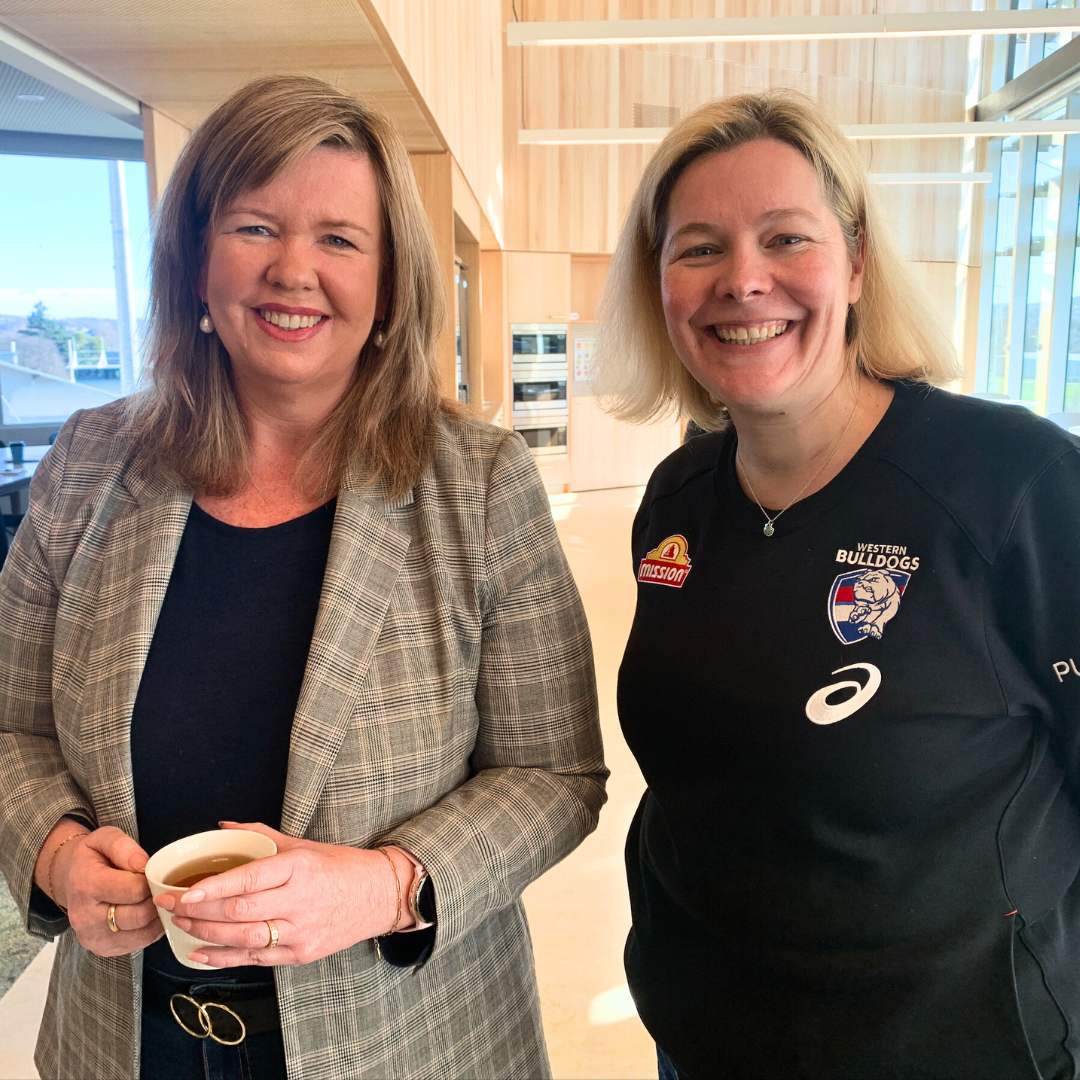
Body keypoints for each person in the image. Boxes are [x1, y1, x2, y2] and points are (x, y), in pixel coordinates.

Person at [0, 74, 606, 1080]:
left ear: (387, 285)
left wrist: (387, 885)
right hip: (128, 1039)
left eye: (338, 239)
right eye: (253, 227)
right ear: (196, 263)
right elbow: (9, 727)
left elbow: (555, 777)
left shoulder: (479, 486)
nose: (293, 270)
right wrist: (56, 854)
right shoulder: (91, 465)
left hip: (409, 1043)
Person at [596, 89, 1080, 1080]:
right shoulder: (679, 495)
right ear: (659, 285)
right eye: (698, 247)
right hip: (704, 1039)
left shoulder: (1013, 485)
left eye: (786, 238)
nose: (744, 281)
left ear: (856, 261)